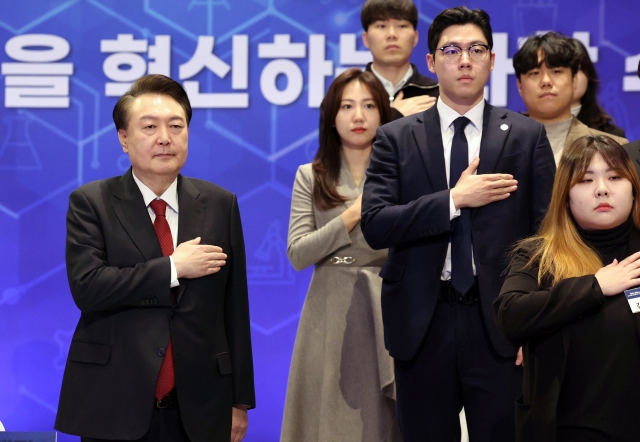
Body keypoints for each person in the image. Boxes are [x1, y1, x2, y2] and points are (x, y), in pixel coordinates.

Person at [361, 6, 556, 442]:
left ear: (491, 58)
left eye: (476, 49)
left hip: (501, 325)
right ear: (430, 62)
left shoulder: (525, 136)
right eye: (451, 50)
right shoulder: (396, 136)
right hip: (421, 324)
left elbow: (546, 238)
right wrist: (453, 200)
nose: (464, 60)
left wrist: (536, 323)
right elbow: (375, 224)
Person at [54, 74, 255, 442]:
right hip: (116, 399)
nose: (165, 137)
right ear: (124, 139)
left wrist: (239, 401)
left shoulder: (220, 204)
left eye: (176, 126)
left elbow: (234, 308)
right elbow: (88, 287)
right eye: (150, 126)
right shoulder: (92, 202)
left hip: (201, 405)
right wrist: (174, 268)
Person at [494, 135, 640, 442]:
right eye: (586, 180)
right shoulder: (540, 255)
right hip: (567, 429)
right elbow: (510, 315)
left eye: (615, 177)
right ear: (566, 195)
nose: (602, 189)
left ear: (634, 189)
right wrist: (595, 286)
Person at [281, 68, 400, 442]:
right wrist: (352, 215)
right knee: (328, 422)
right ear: (332, 116)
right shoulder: (310, 175)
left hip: (387, 304)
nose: (359, 116)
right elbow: (298, 253)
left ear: (383, 113)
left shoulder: (401, 173)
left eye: (368, 105)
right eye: (347, 106)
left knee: (383, 424)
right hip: (329, 306)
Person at [513, 32, 628, 164]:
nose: (546, 81)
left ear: (574, 81)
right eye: (534, 73)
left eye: (556, 71)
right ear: (520, 86)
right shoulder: (498, 146)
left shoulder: (614, 148)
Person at [361, 0, 439, 120]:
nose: (392, 34)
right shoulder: (346, 95)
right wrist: (396, 114)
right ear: (365, 39)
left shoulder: (437, 93)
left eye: (401, 26)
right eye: (381, 26)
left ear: (415, 37)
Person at [570, 38, 626, 138]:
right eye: (557, 71)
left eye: (576, 70)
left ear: (589, 74)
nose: (570, 78)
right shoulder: (534, 130)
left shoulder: (611, 135)